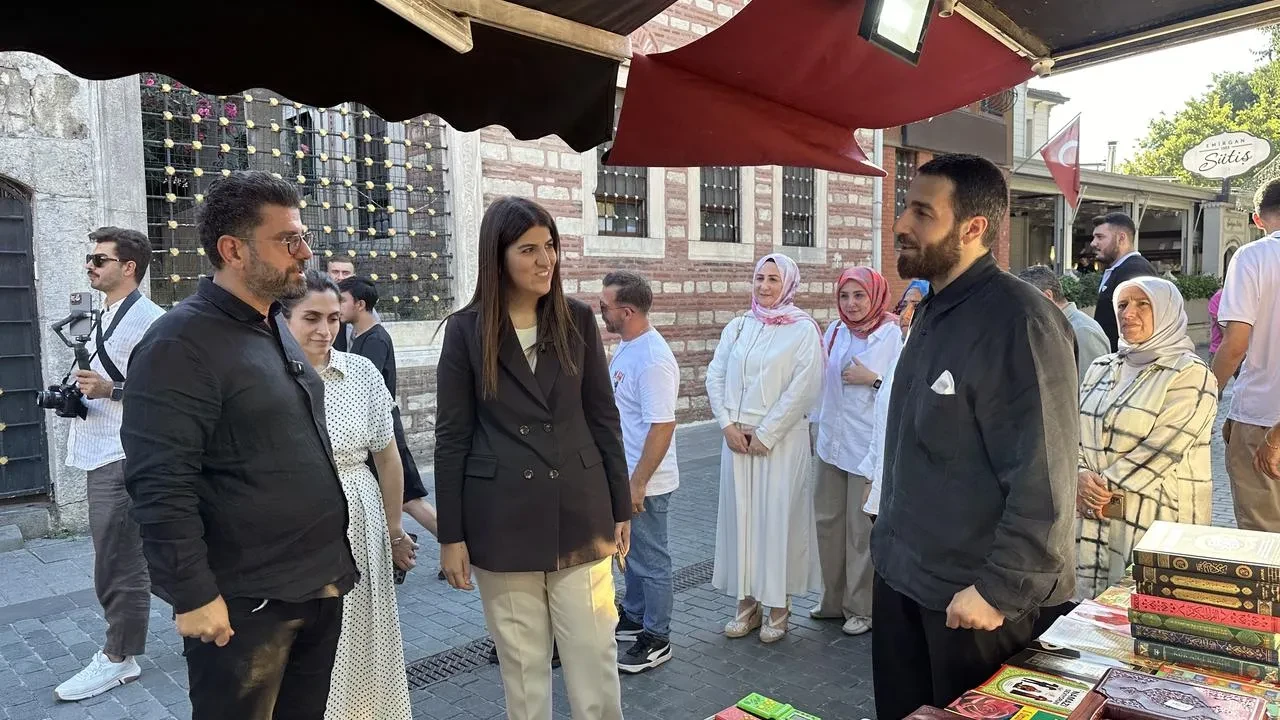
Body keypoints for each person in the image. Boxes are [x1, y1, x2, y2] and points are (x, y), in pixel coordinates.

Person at [122, 171, 358, 719]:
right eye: (287, 240)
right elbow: (159, 481)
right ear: (232, 250)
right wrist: (193, 594)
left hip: (316, 584)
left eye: (303, 237)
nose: (305, 253)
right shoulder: (179, 342)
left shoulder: (271, 323)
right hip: (246, 604)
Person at [871, 154, 1079, 720]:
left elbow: (1046, 477)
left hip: (976, 604)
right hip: (904, 580)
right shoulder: (933, 308)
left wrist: (998, 590)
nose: (901, 224)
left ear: (973, 228)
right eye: (905, 207)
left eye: (922, 212)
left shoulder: (1020, 321)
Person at [434, 196, 629, 720]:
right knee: (523, 669)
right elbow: (452, 438)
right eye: (528, 249)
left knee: (594, 658)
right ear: (497, 257)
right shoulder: (466, 330)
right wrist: (451, 536)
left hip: (580, 513)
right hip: (501, 518)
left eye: (550, 246)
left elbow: (603, 418)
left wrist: (621, 507)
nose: (546, 260)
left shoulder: (577, 319)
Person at [281, 271, 415, 719]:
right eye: (311, 318)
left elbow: (388, 458)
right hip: (295, 522)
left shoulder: (360, 372)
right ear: (284, 318)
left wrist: (394, 531)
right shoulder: (267, 374)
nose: (325, 330)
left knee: (360, 626)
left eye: (334, 319)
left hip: (360, 517)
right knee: (306, 636)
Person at [54, 228, 165, 702]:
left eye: (99, 259)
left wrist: (110, 390)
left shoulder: (152, 321)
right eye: (89, 257)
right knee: (126, 555)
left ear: (129, 267)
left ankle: (120, 657)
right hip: (99, 448)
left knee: (118, 561)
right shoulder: (101, 315)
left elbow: (168, 394)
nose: (89, 265)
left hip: (123, 454)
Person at [706, 253, 824, 643]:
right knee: (742, 521)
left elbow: (804, 387)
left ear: (788, 284)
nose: (765, 286)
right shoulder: (739, 326)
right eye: (759, 277)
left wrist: (767, 433)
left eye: (774, 279)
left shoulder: (802, 330)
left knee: (776, 522)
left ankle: (778, 605)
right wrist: (726, 424)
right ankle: (747, 602)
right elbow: (715, 375)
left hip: (779, 444)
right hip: (737, 443)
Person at [1075, 277, 1217, 599]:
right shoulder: (1101, 367)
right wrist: (1079, 473)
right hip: (1096, 516)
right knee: (1096, 610)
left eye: (1143, 304)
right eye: (1122, 305)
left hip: (1157, 515)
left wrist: (1094, 491)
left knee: (1148, 606)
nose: (1128, 313)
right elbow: (1076, 430)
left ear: (1166, 311)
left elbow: (1162, 450)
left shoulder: (1191, 374)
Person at [808, 266, 901, 637]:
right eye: (845, 296)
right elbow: (822, 384)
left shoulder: (891, 333)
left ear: (875, 295)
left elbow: (899, 389)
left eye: (859, 295)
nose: (852, 303)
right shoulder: (835, 331)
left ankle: (861, 608)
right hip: (831, 442)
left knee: (860, 531)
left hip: (865, 448)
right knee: (827, 523)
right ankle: (832, 600)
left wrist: (872, 379)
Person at [599, 270, 680, 674]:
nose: (600, 312)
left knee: (651, 560)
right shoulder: (629, 346)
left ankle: (657, 637)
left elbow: (662, 426)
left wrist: (638, 483)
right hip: (627, 476)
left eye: (605, 307)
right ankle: (633, 615)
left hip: (645, 481)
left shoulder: (652, 360)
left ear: (627, 311)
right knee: (629, 554)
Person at [338, 276, 440, 544]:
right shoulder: (358, 337)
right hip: (371, 433)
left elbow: (362, 391)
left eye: (342, 301)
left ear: (360, 304)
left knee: (409, 500)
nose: (338, 307)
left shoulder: (376, 340)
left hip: (385, 434)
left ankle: (458, 546)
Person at [1213, 177, 1280, 531]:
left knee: (1263, 543)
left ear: (1257, 219)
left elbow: (1235, 345)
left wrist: (1206, 395)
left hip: (1262, 416)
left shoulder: (1253, 256)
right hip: (1259, 417)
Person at [860, 280, 929, 520]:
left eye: (916, 306)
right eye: (903, 306)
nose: (905, 315)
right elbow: (882, 424)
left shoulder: (938, 360)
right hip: (886, 483)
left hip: (915, 493)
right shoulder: (900, 356)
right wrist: (871, 478)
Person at [1018, 265, 1111, 383]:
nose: (1021, 310)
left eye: (1025, 302)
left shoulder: (1082, 331)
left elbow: (1089, 387)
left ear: (1047, 297)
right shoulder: (1057, 327)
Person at [1090, 212, 1156, 351]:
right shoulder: (1121, 269)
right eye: (1094, 237)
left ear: (1121, 238)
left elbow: (1139, 326)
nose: (1093, 243)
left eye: (1100, 237)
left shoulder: (1135, 271)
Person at [327, 258, 356, 351]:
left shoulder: (362, 305)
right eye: (335, 272)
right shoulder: (315, 302)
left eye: (345, 273)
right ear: (327, 275)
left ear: (354, 277)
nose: (340, 277)